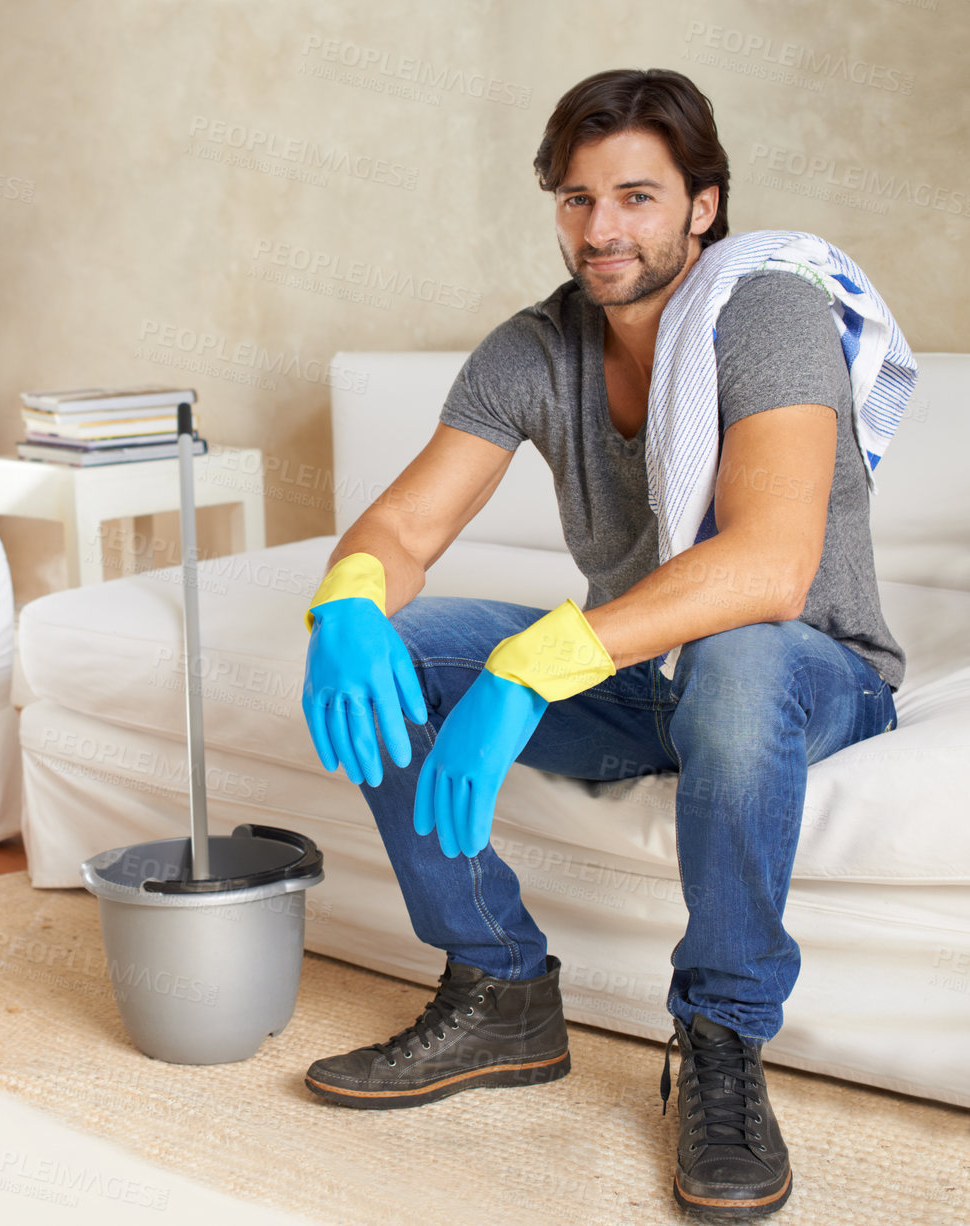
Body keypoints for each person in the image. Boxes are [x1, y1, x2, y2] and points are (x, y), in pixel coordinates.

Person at [298, 67, 907, 1220]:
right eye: (577, 199)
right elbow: (404, 524)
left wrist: (530, 664)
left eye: (636, 196)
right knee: (395, 645)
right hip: (642, 674)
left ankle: (722, 1036)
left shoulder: (765, 314)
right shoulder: (536, 348)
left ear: (702, 206)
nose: (601, 229)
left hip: (805, 664)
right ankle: (499, 989)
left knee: (735, 654)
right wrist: (346, 602)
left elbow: (769, 567)